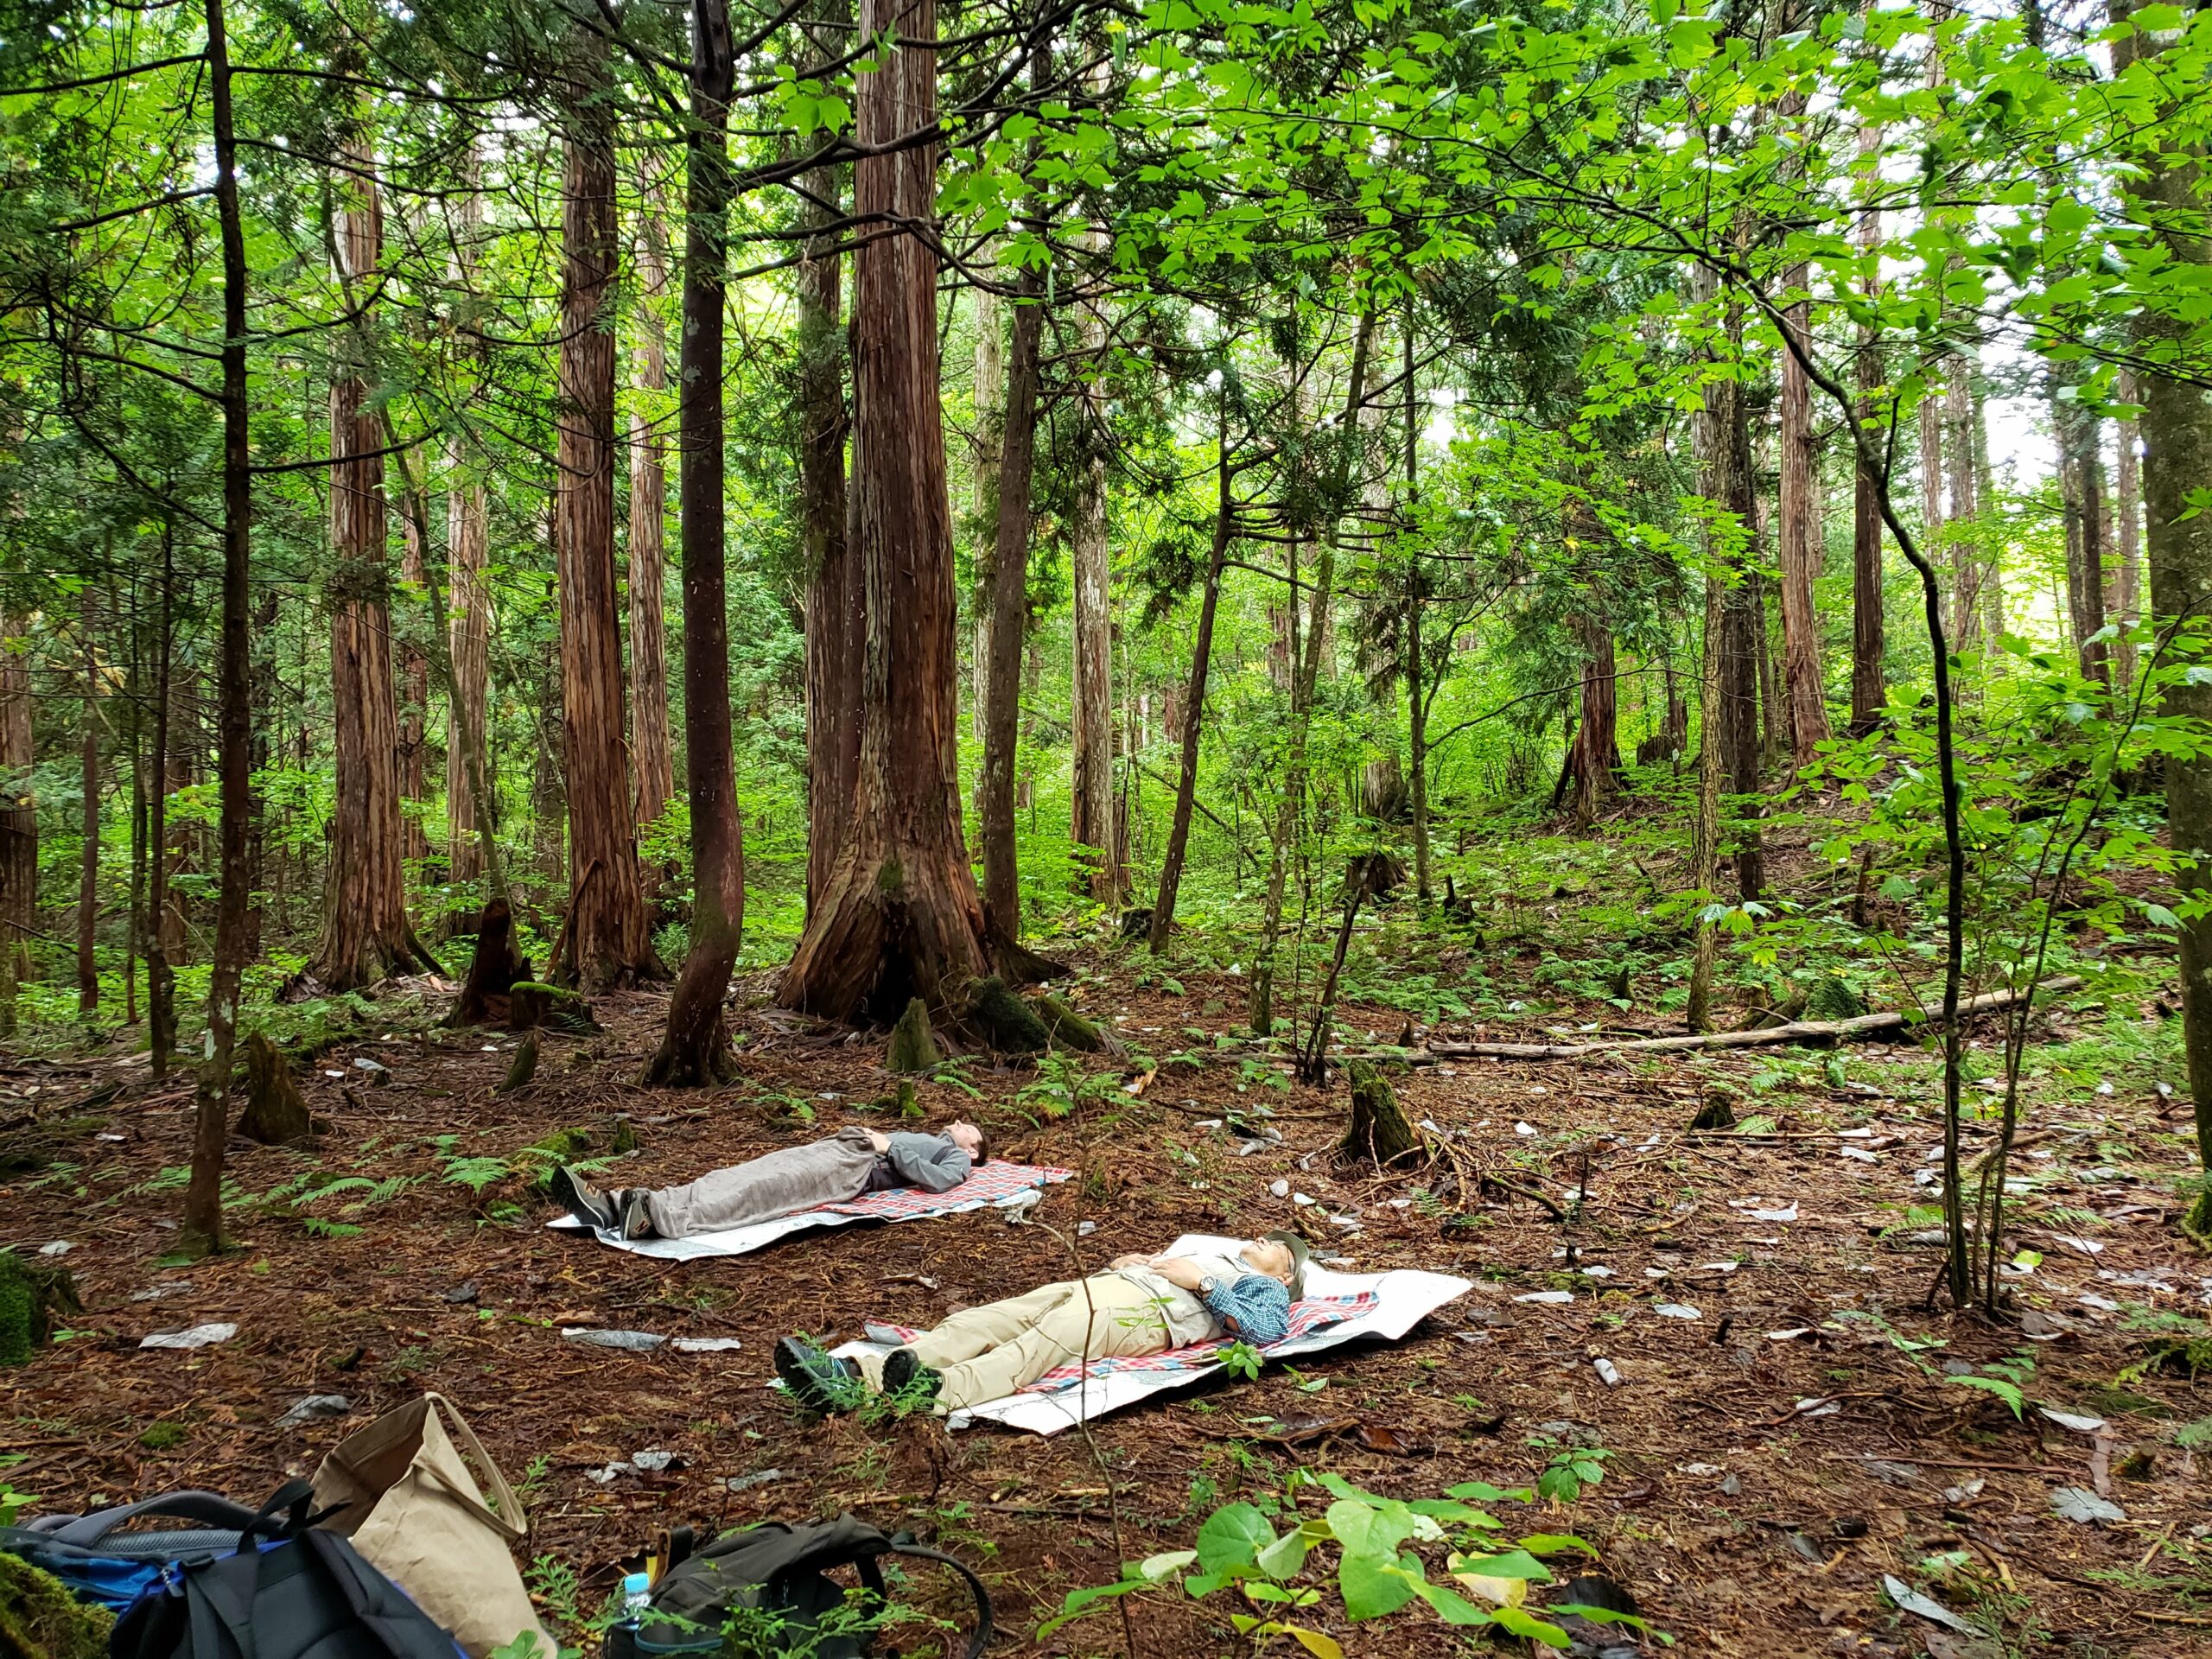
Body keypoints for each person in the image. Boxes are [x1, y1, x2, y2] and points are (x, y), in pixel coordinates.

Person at [773, 1231, 1312, 1414]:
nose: (1263, 1239)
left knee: (1038, 1346)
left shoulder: (1265, 1287)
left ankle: (931, 1393)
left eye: (1276, 1245)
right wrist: (1138, 1264)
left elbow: (1265, 1333)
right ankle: (853, 1376)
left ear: (1286, 1270)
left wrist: (1203, 1284)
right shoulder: (1219, 1257)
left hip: (1141, 1316)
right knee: (986, 1319)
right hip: (1107, 1287)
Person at [551, 1122, 988, 1243]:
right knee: (737, 1175)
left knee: (762, 1191)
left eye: (972, 1130)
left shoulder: (954, 1157)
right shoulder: (932, 1137)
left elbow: (940, 1182)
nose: (962, 1123)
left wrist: (889, 1145)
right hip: (837, 1148)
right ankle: (617, 1205)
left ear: (973, 1151)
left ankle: (657, 1219)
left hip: (853, 1170)